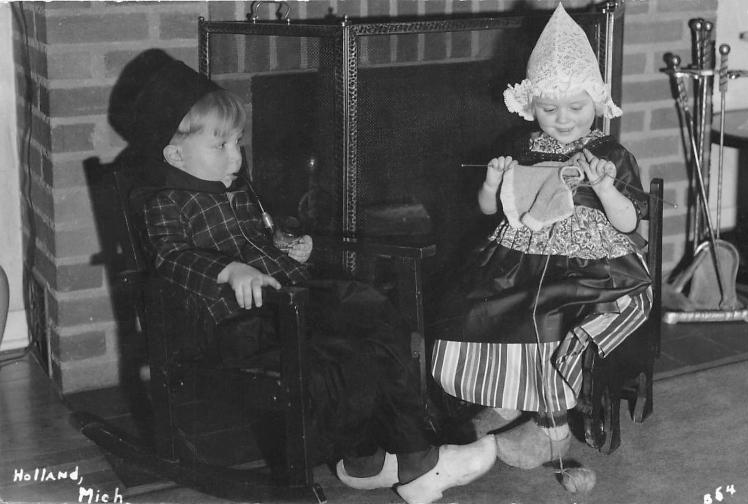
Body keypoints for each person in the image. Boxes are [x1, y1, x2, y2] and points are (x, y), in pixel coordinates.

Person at [125, 54, 496, 504]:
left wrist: (287, 243)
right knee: (337, 354)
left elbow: (261, 236)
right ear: (174, 154)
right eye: (220, 146)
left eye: (238, 143)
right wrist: (228, 269)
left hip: (292, 297)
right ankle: (386, 458)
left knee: (372, 323)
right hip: (240, 323)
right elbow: (170, 257)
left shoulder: (237, 190)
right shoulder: (164, 203)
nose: (237, 157)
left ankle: (394, 456)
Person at [429, 3, 653, 467]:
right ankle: (510, 399)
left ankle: (550, 408)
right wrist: (492, 183)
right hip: (522, 254)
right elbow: (492, 212)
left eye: (576, 107)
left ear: (596, 104)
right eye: (549, 109)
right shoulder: (521, 147)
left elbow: (629, 223)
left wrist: (607, 188)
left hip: (593, 263)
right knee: (484, 302)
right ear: (531, 107)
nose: (564, 118)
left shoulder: (611, 152)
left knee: (564, 310)